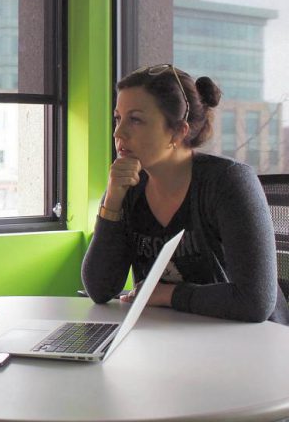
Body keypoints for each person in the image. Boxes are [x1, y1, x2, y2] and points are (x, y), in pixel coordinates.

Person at [81, 63, 289, 325]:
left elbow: (254, 302)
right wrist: (112, 202)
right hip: (175, 337)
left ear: (178, 131)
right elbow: (100, 290)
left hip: (248, 341)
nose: (118, 132)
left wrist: (169, 294)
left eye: (135, 119)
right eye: (118, 118)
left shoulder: (227, 182)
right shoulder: (127, 188)